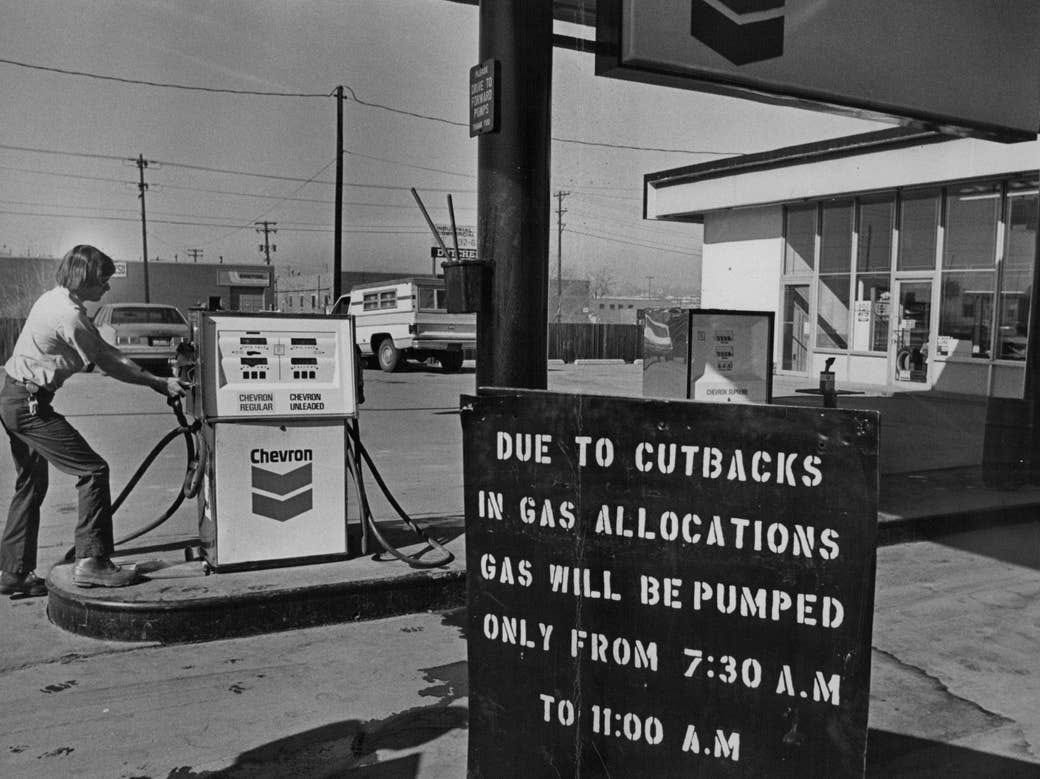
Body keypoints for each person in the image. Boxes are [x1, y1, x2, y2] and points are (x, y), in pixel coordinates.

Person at [0, 245, 188, 595]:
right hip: (30, 405)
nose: (107, 287)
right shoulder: (68, 316)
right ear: (84, 277)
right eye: (103, 279)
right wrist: (160, 383)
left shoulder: (52, 299)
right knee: (93, 470)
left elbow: (104, 352)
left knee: (30, 484)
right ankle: (92, 563)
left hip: (15, 397)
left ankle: (12, 572)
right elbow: (110, 361)